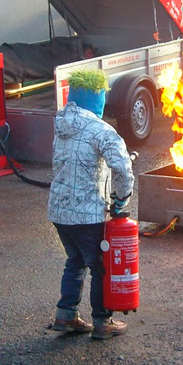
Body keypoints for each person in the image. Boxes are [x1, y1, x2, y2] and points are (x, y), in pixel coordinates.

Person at [48, 69, 134, 339]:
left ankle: (66, 315)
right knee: (100, 266)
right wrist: (121, 199)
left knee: (75, 260)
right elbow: (122, 167)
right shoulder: (101, 130)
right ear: (99, 98)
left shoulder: (61, 125)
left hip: (59, 210)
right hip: (86, 215)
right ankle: (102, 321)